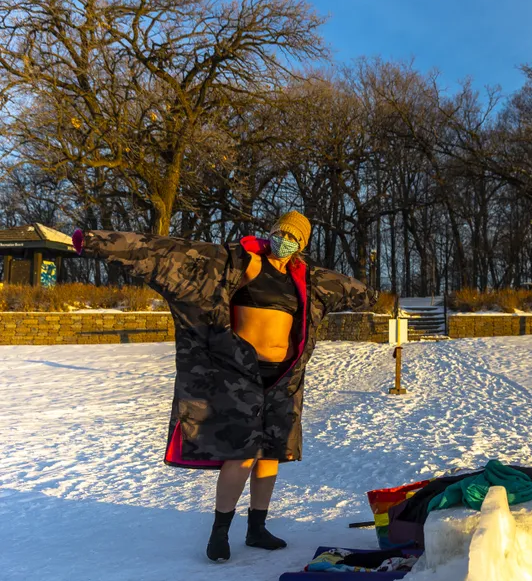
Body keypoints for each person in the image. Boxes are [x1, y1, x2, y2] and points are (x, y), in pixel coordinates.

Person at [72, 211, 377, 562]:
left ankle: (257, 528)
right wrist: (96, 242)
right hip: (239, 373)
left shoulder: (304, 279)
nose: (285, 240)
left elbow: (349, 289)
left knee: (270, 454)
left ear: (302, 244)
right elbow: (168, 254)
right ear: (272, 233)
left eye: (294, 237)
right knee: (241, 453)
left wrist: (376, 298)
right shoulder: (244, 264)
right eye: (281, 233)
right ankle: (219, 533)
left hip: (282, 378)